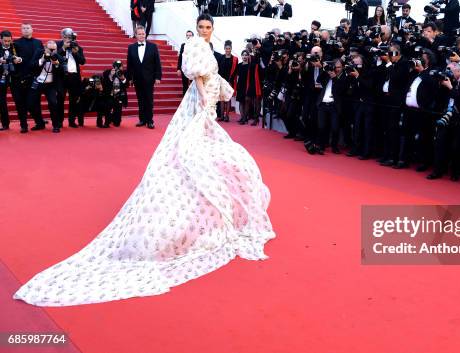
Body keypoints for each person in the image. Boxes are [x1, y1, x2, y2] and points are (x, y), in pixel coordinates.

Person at [13, 13, 276, 307]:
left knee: (208, 151)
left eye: (208, 27)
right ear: (197, 28)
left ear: (213, 28)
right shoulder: (194, 47)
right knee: (192, 149)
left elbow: (212, 76)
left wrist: (217, 93)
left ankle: (213, 201)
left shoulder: (209, 47)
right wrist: (204, 99)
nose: (204, 30)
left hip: (208, 101)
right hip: (199, 102)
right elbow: (198, 76)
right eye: (201, 26)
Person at [126, 25, 162, 129]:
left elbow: (157, 63)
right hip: (137, 78)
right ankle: (142, 119)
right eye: (139, 34)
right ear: (136, 35)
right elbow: (130, 65)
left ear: (145, 34)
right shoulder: (131, 48)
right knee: (140, 100)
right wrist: (129, 79)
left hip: (149, 78)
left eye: (143, 33)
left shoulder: (153, 46)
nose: (141, 35)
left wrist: (158, 77)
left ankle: (150, 120)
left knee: (149, 100)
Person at [177, 30, 195, 95]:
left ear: (193, 37)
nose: (188, 37)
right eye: (187, 35)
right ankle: (184, 101)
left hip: (192, 69)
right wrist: (178, 68)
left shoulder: (195, 46)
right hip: (184, 68)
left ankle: (193, 100)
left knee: (193, 85)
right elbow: (180, 57)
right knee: (185, 85)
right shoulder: (183, 45)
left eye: (190, 35)